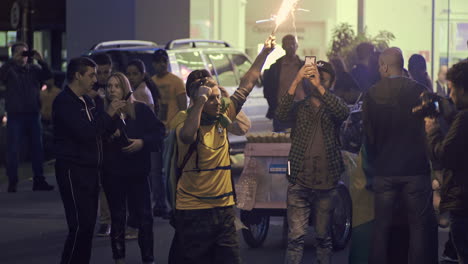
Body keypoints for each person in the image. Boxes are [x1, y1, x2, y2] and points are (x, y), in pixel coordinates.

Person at [168, 35, 275, 264]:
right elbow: (187, 135)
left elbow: (247, 82)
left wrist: (264, 53)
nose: (219, 103)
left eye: (219, 97)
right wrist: (199, 102)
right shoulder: (183, 119)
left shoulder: (223, 116)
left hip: (224, 210)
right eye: (212, 99)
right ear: (197, 100)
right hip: (193, 211)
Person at [362, 48, 438, 264]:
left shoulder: (371, 94)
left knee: (381, 228)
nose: (378, 69)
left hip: (384, 170)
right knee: (418, 229)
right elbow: (433, 127)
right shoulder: (421, 91)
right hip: (415, 170)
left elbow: (369, 134)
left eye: (379, 65)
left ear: (385, 66)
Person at [53, 57, 125, 264]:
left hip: (92, 170)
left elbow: (99, 130)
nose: (96, 79)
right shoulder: (64, 102)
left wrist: (114, 119)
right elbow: (85, 133)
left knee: (87, 227)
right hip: (73, 170)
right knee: (79, 226)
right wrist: (109, 113)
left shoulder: (88, 100)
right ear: (77, 75)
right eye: (91, 74)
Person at [276, 60, 349, 264]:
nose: (317, 82)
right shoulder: (300, 107)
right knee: (295, 239)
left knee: (323, 238)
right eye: (314, 78)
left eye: (323, 79)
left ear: (331, 83)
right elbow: (280, 113)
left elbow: (344, 113)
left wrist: (319, 86)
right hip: (300, 180)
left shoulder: (334, 107)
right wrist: (297, 79)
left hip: (326, 182)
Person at [102, 72, 164, 264]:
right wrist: (109, 128)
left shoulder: (141, 110)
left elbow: (159, 133)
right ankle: (118, 258)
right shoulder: (103, 113)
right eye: (109, 86)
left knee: (145, 217)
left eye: (117, 86)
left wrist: (142, 142)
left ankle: (148, 258)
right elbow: (94, 138)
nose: (112, 89)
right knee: (118, 217)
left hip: (138, 172)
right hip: (114, 173)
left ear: (126, 89)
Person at [425, 60, 468, 264]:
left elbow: (444, 154)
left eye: (452, 89)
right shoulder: (461, 118)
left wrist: (432, 130)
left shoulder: (464, 119)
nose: (450, 95)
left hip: (463, 202)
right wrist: (450, 117)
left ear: (462, 89)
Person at [0, 42, 54, 192]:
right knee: (13, 149)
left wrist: (41, 60)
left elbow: (49, 77)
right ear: (13, 54)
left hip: (33, 114)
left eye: (25, 53)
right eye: (19, 53)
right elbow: (1, 75)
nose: (23, 56)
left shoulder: (34, 70)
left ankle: (39, 181)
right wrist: (12, 60)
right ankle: (12, 181)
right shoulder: (9, 70)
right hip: (15, 115)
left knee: (38, 148)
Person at [151, 49, 186, 218]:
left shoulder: (176, 81)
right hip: (156, 132)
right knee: (156, 171)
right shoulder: (151, 82)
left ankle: (175, 205)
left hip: (171, 132)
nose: (161, 64)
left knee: (171, 170)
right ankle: (159, 205)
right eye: (158, 61)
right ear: (153, 64)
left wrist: (179, 128)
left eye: (164, 61)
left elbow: (183, 108)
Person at [263, 34, 311, 132]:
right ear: (283, 47)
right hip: (282, 109)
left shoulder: (306, 65)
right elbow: (268, 89)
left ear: (297, 46)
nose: (291, 46)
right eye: (288, 44)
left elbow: (313, 86)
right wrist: (274, 106)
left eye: (293, 43)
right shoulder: (275, 67)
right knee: (280, 140)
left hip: (302, 109)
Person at [89, 53, 114, 237]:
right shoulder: (91, 92)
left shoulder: (115, 87)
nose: (104, 76)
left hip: (113, 141)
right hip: (96, 142)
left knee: (112, 183)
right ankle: (104, 220)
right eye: (100, 72)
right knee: (99, 184)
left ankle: (111, 219)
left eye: (107, 72)